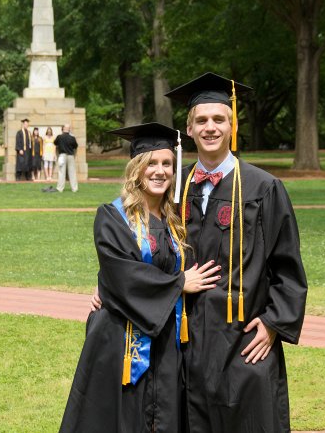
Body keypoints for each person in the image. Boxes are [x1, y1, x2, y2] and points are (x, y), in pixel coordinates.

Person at [165, 73, 307, 432]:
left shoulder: (265, 188)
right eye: (201, 121)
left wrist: (275, 323)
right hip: (183, 334)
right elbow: (139, 244)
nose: (210, 127)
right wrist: (106, 285)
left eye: (218, 119)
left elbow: (287, 265)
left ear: (232, 124)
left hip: (243, 336)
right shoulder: (172, 186)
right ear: (189, 129)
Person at [59, 123, 221, 433]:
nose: (160, 171)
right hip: (121, 340)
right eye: (151, 163)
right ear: (136, 169)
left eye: (167, 164)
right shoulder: (112, 216)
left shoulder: (177, 220)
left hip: (166, 340)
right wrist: (178, 284)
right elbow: (122, 274)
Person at [54, 124, 79, 192]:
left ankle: (60, 188)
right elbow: (75, 146)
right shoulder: (72, 138)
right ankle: (74, 188)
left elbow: (55, 143)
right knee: (72, 173)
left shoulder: (59, 137)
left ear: (63, 129)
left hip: (62, 155)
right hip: (70, 155)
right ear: (69, 129)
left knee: (62, 172)